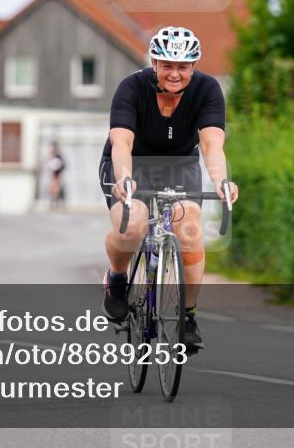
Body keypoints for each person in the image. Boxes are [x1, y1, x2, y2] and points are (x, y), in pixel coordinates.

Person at [97, 26, 238, 350]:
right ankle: (117, 280)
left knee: (188, 228)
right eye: (167, 65)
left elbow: (211, 144)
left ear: (194, 66)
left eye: (183, 67)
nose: (175, 74)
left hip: (178, 165)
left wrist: (221, 181)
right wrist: (125, 179)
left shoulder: (207, 89)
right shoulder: (131, 87)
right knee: (131, 226)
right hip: (131, 163)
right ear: (155, 63)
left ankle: (187, 316)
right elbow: (122, 141)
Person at [46, 142, 66, 210]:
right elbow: (49, 165)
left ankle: (59, 203)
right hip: (54, 174)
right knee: (53, 189)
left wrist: (60, 175)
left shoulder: (59, 156)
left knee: (58, 188)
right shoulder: (52, 156)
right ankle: (53, 203)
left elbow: (62, 165)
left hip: (57, 174)